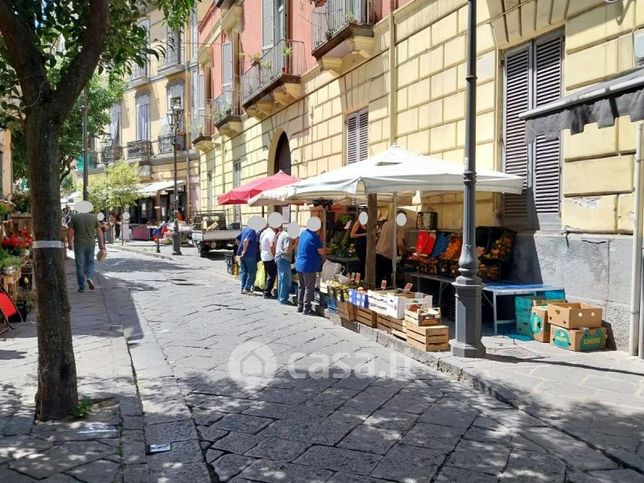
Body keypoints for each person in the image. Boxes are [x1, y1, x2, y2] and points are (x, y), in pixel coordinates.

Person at [67, 203, 105, 293]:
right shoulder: (94, 217)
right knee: (90, 262)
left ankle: (81, 287)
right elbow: (99, 232)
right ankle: (89, 277)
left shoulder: (75, 217)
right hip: (90, 244)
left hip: (79, 244)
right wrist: (101, 245)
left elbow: (70, 233)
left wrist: (69, 244)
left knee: (80, 265)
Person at [295, 224, 325, 315]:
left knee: (301, 286)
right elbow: (321, 251)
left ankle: (300, 306)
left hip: (299, 264)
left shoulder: (303, 233)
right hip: (309, 265)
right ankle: (307, 308)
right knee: (309, 287)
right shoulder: (314, 237)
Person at [376, 211, 408, 287]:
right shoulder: (400, 226)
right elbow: (399, 243)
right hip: (388, 254)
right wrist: (405, 251)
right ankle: (387, 293)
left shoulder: (386, 223)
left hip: (378, 252)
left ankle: (376, 292)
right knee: (388, 278)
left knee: (378, 277)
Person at [275, 226, 298, 305]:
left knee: (281, 279)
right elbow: (287, 250)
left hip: (279, 258)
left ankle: (280, 298)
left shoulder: (282, 234)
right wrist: (295, 244)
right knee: (286, 280)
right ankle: (283, 299)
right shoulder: (288, 236)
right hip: (284, 258)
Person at [238, 224, 259, 294]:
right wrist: (244, 250)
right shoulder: (252, 230)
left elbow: (238, 239)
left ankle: (242, 288)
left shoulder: (244, 229)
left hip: (243, 255)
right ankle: (247, 288)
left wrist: (241, 249)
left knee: (244, 272)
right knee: (252, 272)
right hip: (250, 254)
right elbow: (246, 240)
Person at [260, 226, 279, 299]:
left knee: (267, 274)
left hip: (264, 255)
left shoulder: (264, 232)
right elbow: (271, 245)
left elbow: (260, 245)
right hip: (270, 256)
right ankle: (267, 293)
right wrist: (274, 256)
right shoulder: (272, 234)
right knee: (271, 275)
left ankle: (265, 290)